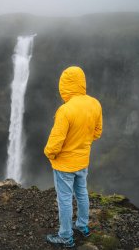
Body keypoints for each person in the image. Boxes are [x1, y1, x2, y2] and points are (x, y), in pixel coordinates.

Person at [44, 66, 103, 248]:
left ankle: (65, 236)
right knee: (82, 194)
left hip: (64, 165)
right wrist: (82, 143)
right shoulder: (95, 103)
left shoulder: (65, 110)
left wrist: (50, 154)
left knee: (64, 199)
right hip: (83, 160)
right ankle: (83, 227)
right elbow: (97, 132)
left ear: (64, 85)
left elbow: (56, 141)